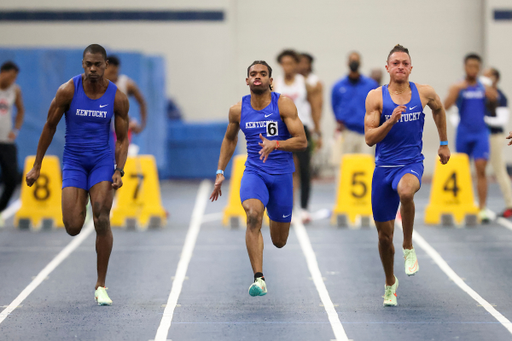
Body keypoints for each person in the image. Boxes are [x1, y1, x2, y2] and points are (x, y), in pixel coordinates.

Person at [25, 44, 129, 306]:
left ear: (106, 65)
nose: (93, 69)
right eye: (88, 64)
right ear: (83, 64)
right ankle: (81, 197)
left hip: (101, 162)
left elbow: (122, 138)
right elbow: (49, 127)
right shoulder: (68, 90)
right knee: (72, 226)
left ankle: (101, 284)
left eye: (98, 64)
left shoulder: (117, 97)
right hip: (74, 162)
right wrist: (37, 165)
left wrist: (119, 169)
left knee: (102, 219)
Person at [210, 60, 307, 296]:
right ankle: (259, 278)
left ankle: (277, 220)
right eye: (253, 74)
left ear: (270, 81)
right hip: (255, 172)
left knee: (279, 240)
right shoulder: (237, 110)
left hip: (282, 175)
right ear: (247, 80)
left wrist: (276, 144)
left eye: (263, 74)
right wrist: (220, 171)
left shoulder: (283, 104)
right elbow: (230, 140)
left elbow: (302, 141)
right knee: (253, 215)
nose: (258, 77)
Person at [365, 44, 450, 306]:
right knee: (383, 237)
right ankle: (390, 281)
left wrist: (444, 143)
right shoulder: (376, 97)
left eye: (405, 63)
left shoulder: (424, 93)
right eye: (396, 63)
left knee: (406, 191)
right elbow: (369, 138)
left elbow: (439, 109)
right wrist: (389, 122)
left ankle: (409, 246)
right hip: (383, 170)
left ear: (411, 68)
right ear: (388, 67)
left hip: (411, 163)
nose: (400, 67)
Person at [444, 53, 497, 223]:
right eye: (470, 66)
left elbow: (495, 104)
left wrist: (492, 94)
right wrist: (456, 91)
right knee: (463, 171)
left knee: (481, 168)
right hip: (463, 133)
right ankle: (465, 203)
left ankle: (482, 207)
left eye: (476, 66)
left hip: (481, 133)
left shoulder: (484, 87)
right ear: (464, 67)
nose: (472, 69)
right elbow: (445, 105)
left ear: (479, 68)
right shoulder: (458, 86)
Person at [274, 50, 318, 224]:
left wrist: (317, 129)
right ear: (280, 65)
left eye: (291, 63)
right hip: (283, 130)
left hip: (303, 128)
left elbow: (314, 106)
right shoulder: (276, 84)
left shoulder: (304, 83)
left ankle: (305, 209)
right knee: (286, 171)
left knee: (305, 170)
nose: (288, 67)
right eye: (284, 63)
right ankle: (288, 208)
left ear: (296, 65)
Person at [332, 52, 378, 156]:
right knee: (347, 163)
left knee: (366, 163)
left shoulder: (370, 85)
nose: (354, 62)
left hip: (366, 132)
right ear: (347, 63)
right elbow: (334, 106)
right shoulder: (338, 86)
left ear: (360, 63)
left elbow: (377, 105)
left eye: (356, 60)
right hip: (348, 131)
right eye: (352, 60)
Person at [482, 68, 512, 217]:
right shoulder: (480, 94)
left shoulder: (501, 97)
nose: (484, 78)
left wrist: (482, 120)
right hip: (481, 136)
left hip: (494, 137)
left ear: (495, 78)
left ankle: (510, 204)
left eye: (487, 75)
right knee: (480, 170)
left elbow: (501, 120)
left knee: (500, 171)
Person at [0, 61, 24, 227]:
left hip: (6, 141)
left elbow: (21, 110)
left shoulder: (15, 90)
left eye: (15, 77)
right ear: (3, 72)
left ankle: (0, 209)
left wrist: (15, 130)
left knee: (11, 179)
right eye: (12, 76)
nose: (13, 80)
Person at [104, 55, 147, 134]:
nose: (111, 75)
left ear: (118, 70)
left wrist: (142, 125)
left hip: (120, 127)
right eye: (109, 73)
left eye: (114, 72)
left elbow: (142, 102)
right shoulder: (96, 84)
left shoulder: (126, 84)